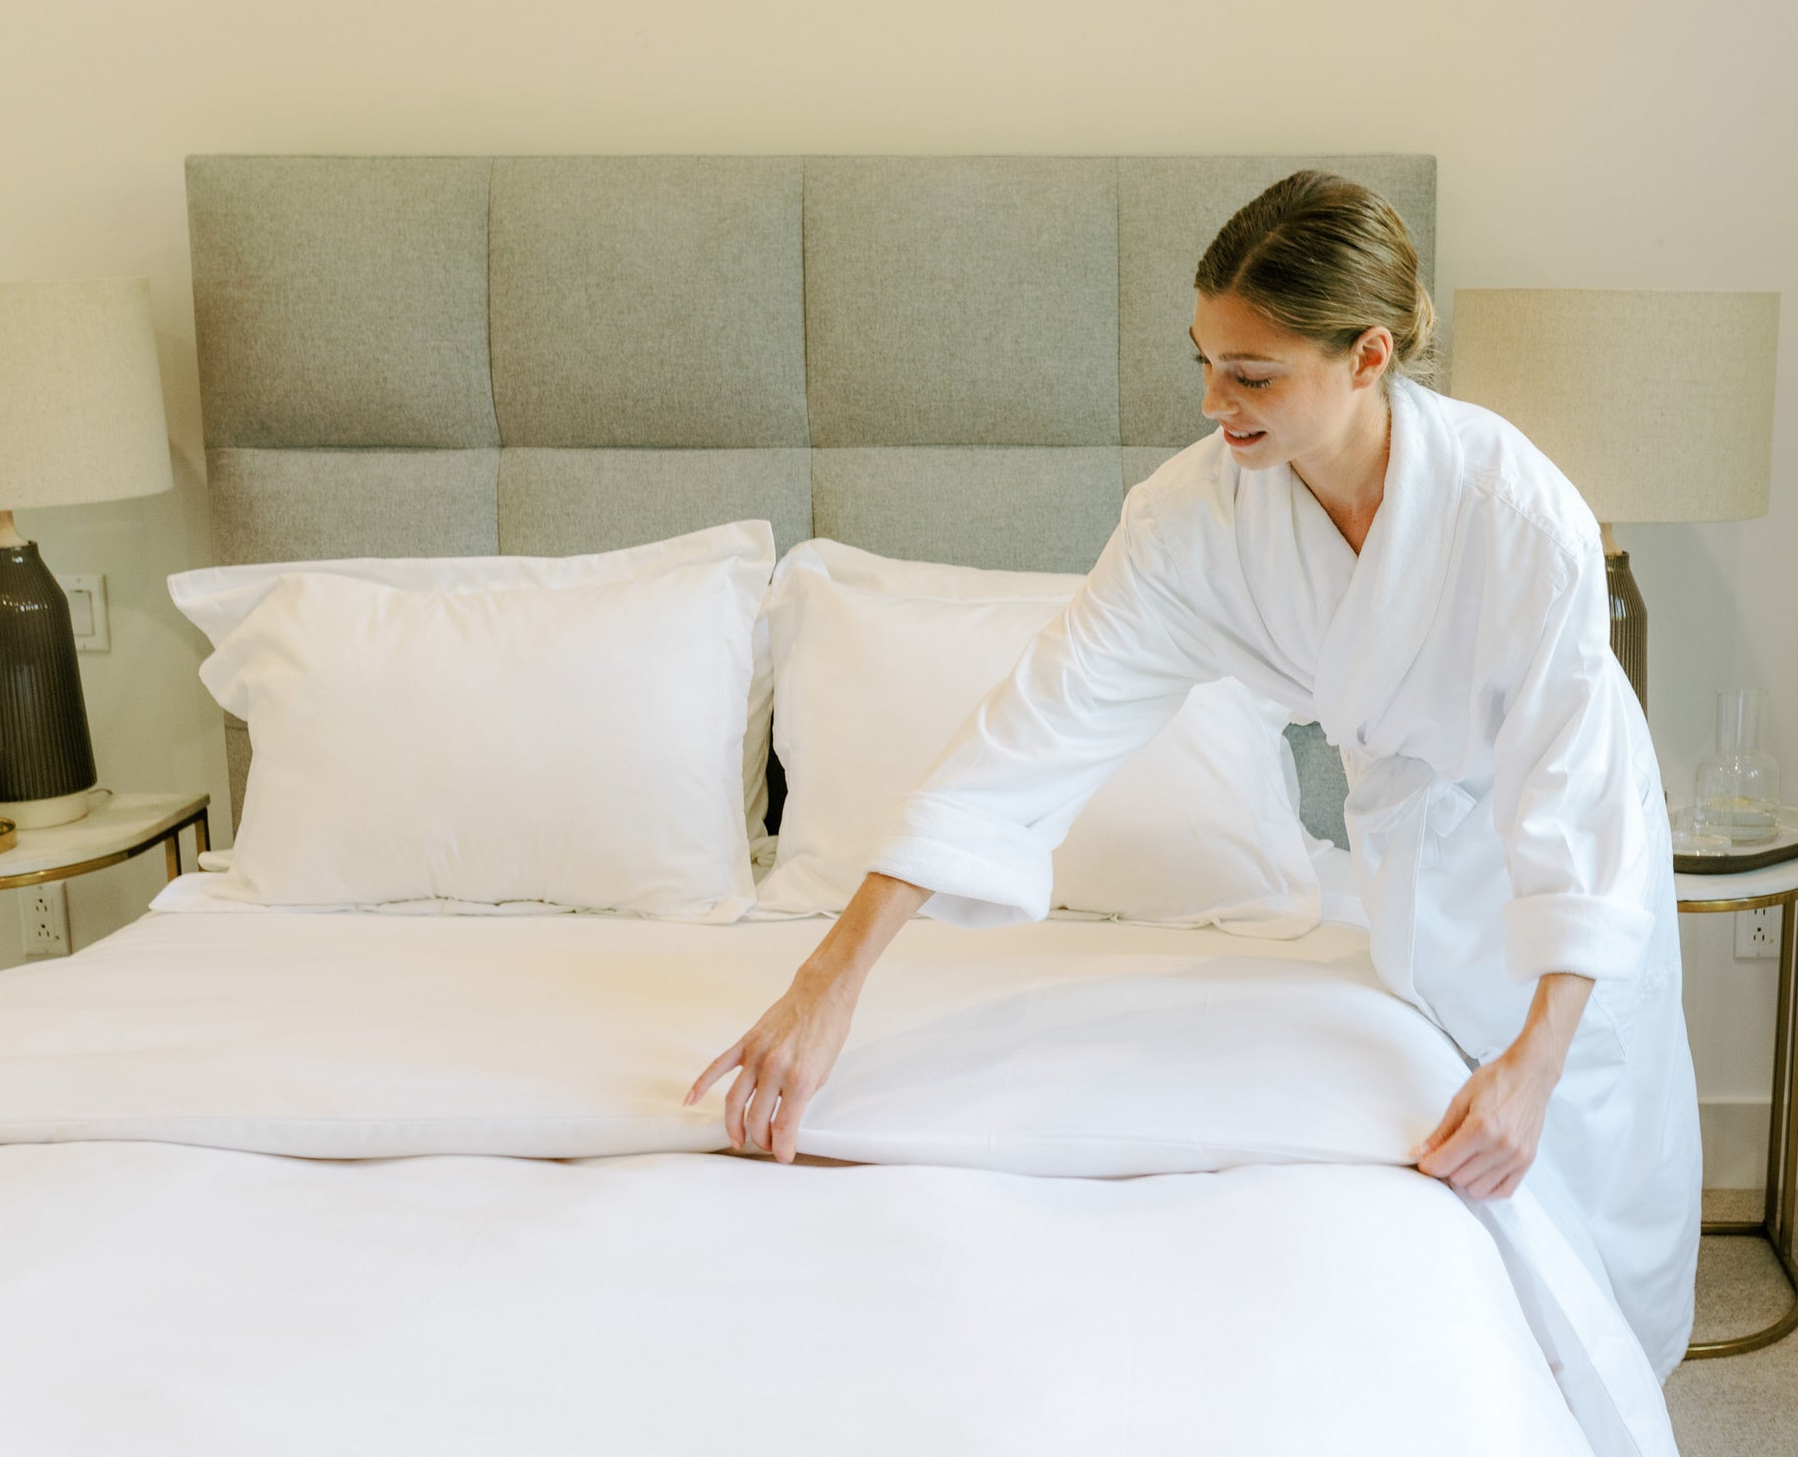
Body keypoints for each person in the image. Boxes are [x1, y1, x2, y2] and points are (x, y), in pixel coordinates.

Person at [687, 170, 1702, 1378]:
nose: (1215, 403)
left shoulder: (1514, 516)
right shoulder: (1192, 523)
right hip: (1414, 869)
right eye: (1204, 362)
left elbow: (1570, 799)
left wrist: (1536, 1062)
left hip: (1561, 868)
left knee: (1587, 1154)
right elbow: (1031, 730)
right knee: (1455, 1181)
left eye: (1254, 374)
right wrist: (827, 981)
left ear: (1368, 356)